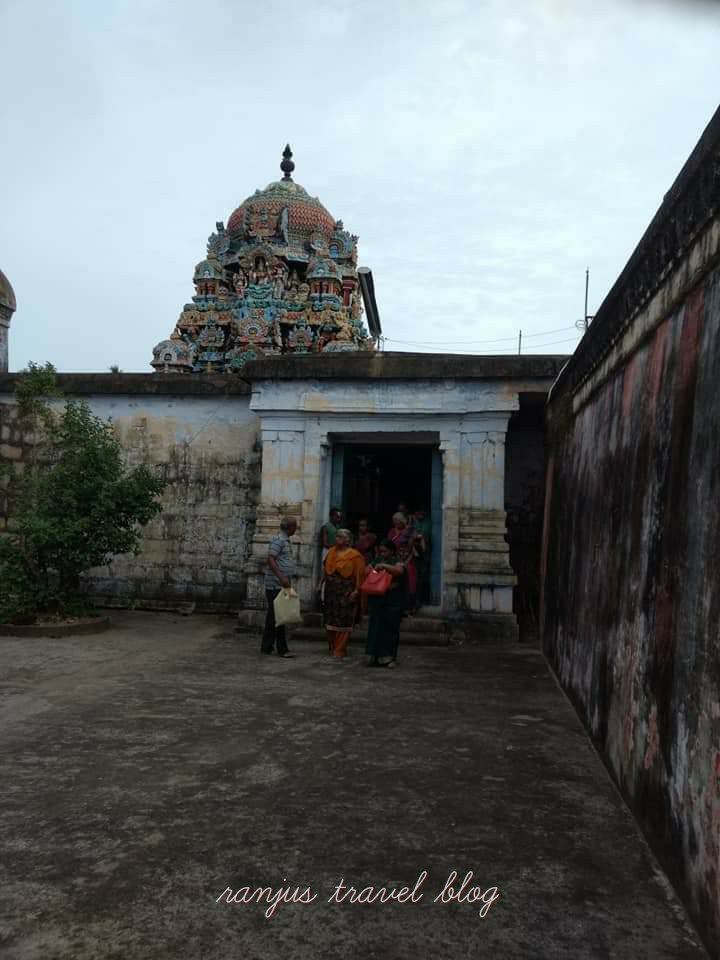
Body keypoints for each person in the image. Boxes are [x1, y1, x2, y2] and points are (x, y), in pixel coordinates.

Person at [319, 529, 365, 660]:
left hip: (346, 593)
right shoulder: (331, 552)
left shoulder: (355, 556)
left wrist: (356, 591)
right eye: (337, 536)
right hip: (331, 592)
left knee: (344, 621)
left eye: (340, 537)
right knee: (330, 620)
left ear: (347, 540)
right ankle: (332, 646)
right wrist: (320, 584)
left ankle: (340, 649)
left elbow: (360, 575)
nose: (337, 538)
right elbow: (325, 570)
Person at [365, 540, 407, 668]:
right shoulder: (376, 560)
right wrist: (372, 569)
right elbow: (366, 571)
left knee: (390, 629)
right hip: (378, 601)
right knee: (375, 628)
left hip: (392, 602)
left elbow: (399, 571)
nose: (382, 554)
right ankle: (373, 657)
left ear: (392, 551)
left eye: (385, 551)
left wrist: (384, 566)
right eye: (380, 551)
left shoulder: (397, 561)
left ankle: (388, 658)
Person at [262, 516, 298, 658]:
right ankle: (282, 649)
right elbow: (270, 559)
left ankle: (267, 646)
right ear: (289, 527)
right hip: (275, 584)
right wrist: (281, 577)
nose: (296, 528)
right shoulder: (279, 540)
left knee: (274, 616)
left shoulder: (285, 540)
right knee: (279, 616)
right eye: (295, 526)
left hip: (280, 584)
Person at [387, 512, 419, 613]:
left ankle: (409, 607)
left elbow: (417, 542)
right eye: (394, 522)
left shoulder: (409, 530)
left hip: (408, 560)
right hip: (395, 561)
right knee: (396, 583)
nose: (396, 524)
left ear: (402, 521)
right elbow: (388, 545)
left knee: (410, 583)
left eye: (398, 521)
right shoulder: (392, 532)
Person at [412, 507, 431, 605]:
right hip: (413, 555)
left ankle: (421, 599)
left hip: (423, 554)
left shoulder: (427, 523)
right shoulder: (412, 521)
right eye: (417, 512)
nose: (419, 514)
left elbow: (425, 535)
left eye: (421, 512)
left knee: (422, 576)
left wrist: (420, 537)